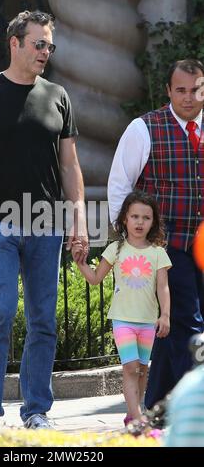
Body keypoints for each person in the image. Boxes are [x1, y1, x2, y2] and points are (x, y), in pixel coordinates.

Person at [0, 10, 88, 430]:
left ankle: (35, 411)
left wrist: (78, 219)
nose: (45, 52)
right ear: (14, 43)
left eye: (50, 45)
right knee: (0, 311)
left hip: (47, 220)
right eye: (39, 44)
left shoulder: (58, 95)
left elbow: (70, 166)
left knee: (43, 319)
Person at [107, 59, 204, 412]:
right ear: (168, 91)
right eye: (181, 90)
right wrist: (129, 244)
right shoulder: (143, 128)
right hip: (166, 247)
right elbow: (120, 185)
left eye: (196, 90)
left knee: (170, 331)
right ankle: (191, 410)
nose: (189, 98)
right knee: (189, 323)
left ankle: (156, 404)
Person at [72, 191, 171, 424]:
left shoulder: (158, 253)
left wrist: (165, 315)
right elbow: (95, 279)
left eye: (146, 218)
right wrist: (81, 264)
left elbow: (163, 288)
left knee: (143, 370)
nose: (139, 222)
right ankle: (138, 420)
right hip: (123, 320)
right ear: (125, 219)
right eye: (134, 216)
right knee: (130, 368)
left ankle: (132, 413)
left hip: (148, 321)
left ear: (153, 222)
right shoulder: (115, 249)